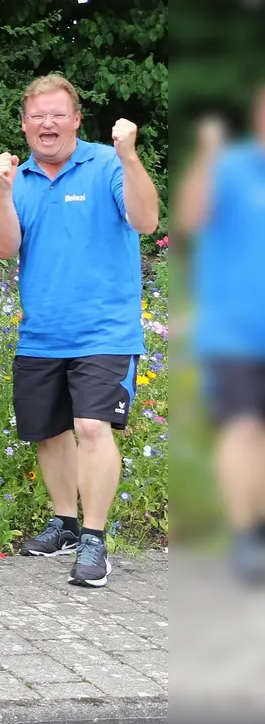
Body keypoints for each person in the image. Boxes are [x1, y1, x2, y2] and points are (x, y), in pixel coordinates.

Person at [0, 74, 160, 588]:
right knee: (48, 433)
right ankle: (64, 523)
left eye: (58, 114)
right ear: (24, 124)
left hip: (105, 331)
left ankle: (94, 539)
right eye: (37, 116)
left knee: (91, 427)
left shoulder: (107, 165)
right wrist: (1, 188)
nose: (47, 124)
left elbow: (147, 220)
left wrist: (130, 155)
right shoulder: (18, 179)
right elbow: (3, 247)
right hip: (42, 331)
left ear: (76, 119)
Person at [180, 100, 265, 584]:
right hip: (234, 331)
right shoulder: (229, 166)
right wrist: (208, 154)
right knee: (241, 428)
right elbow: (191, 217)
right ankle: (244, 535)